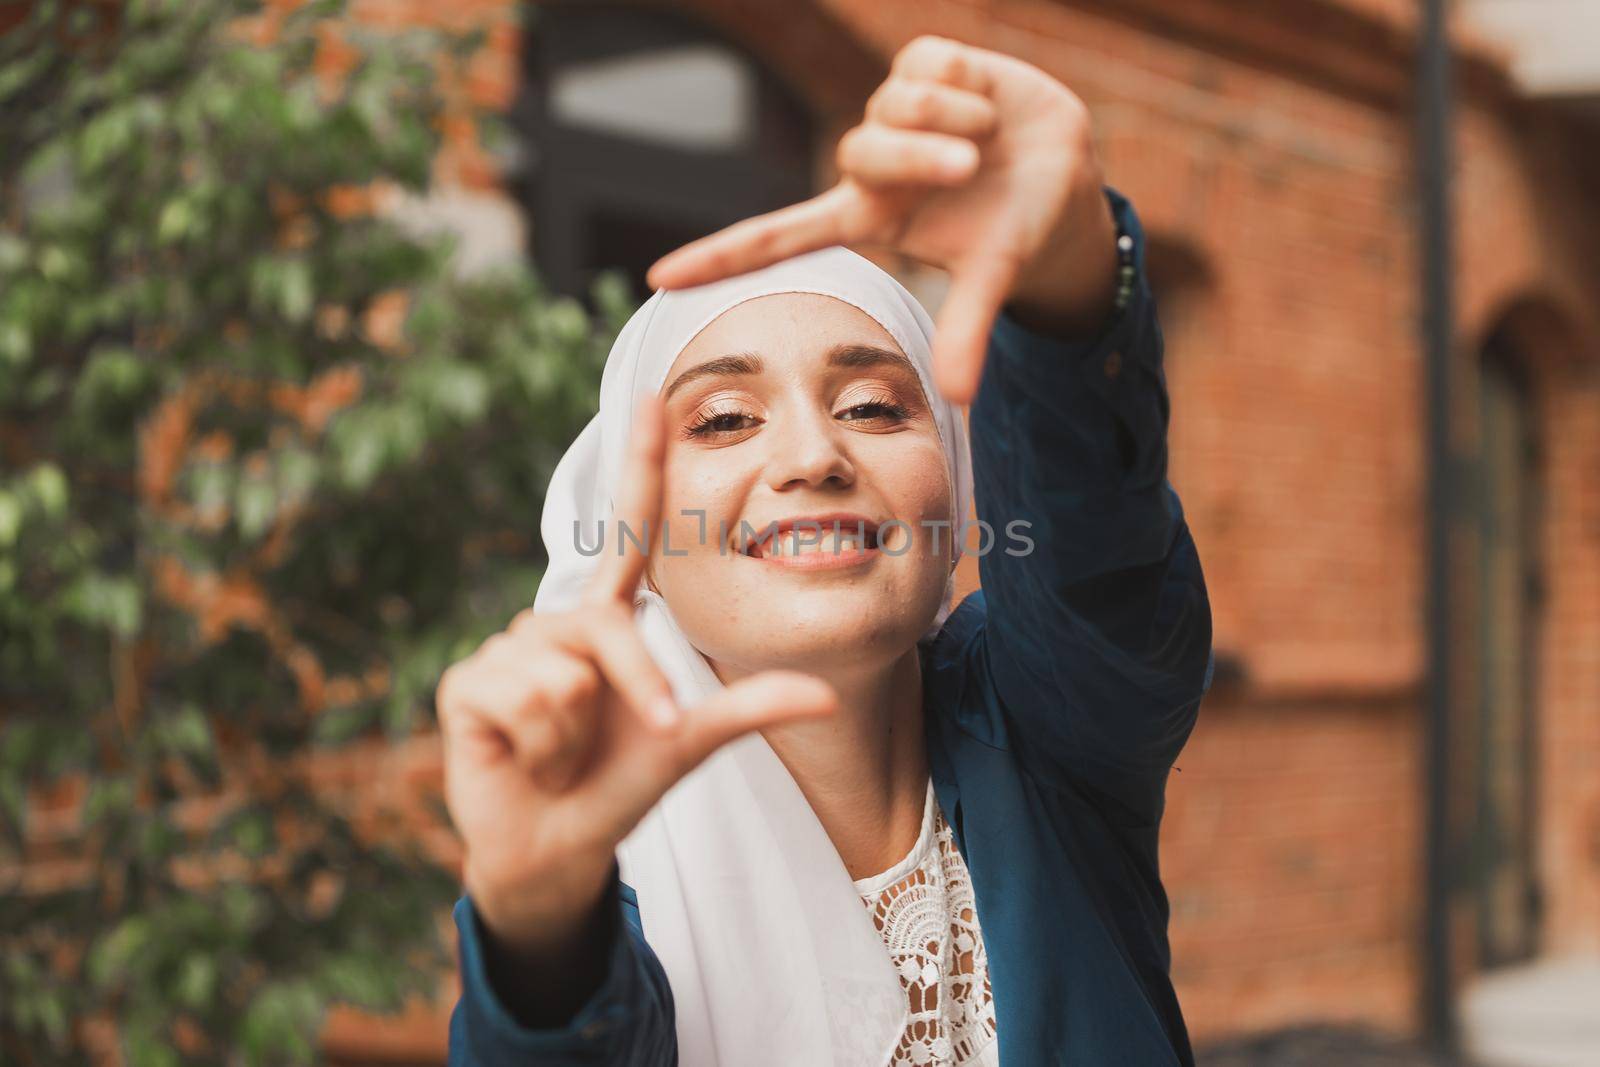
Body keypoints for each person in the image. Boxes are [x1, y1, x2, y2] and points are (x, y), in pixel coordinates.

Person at [437, 35, 1213, 1067]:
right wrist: (538, 932)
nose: (811, 454)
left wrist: (1062, 273)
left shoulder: (1052, 729)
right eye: (721, 420)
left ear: (958, 496)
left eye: (872, 405)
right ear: (639, 536)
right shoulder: (598, 858)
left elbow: (1097, 547)